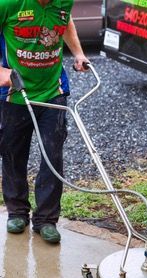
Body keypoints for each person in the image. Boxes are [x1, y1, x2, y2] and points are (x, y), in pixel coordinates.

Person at [0, 0, 89, 243]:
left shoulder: (63, 2)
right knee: (12, 154)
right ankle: (17, 212)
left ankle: (47, 220)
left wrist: (78, 53)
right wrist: (1, 72)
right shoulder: (8, 4)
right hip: (15, 94)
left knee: (52, 155)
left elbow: (65, 21)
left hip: (53, 91)